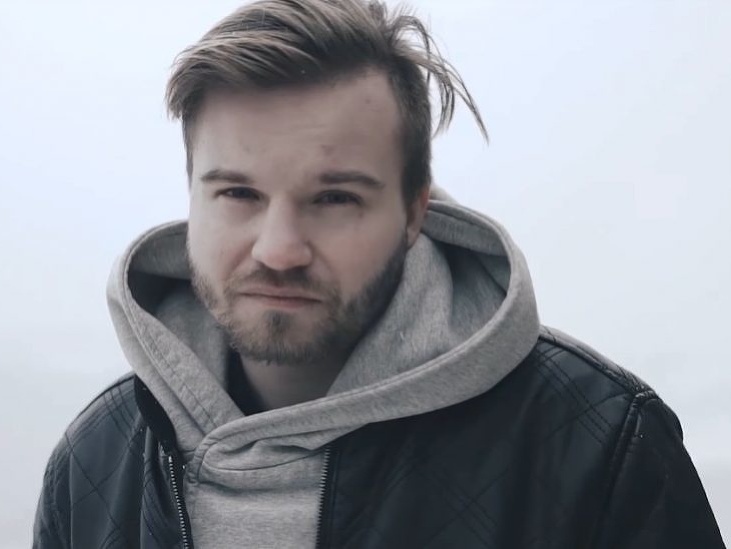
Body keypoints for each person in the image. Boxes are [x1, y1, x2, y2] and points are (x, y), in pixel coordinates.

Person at [33, 0, 725, 547]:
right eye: (238, 193)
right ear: (192, 196)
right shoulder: (93, 461)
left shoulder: (600, 443)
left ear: (415, 210)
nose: (279, 249)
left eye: (335, 199)